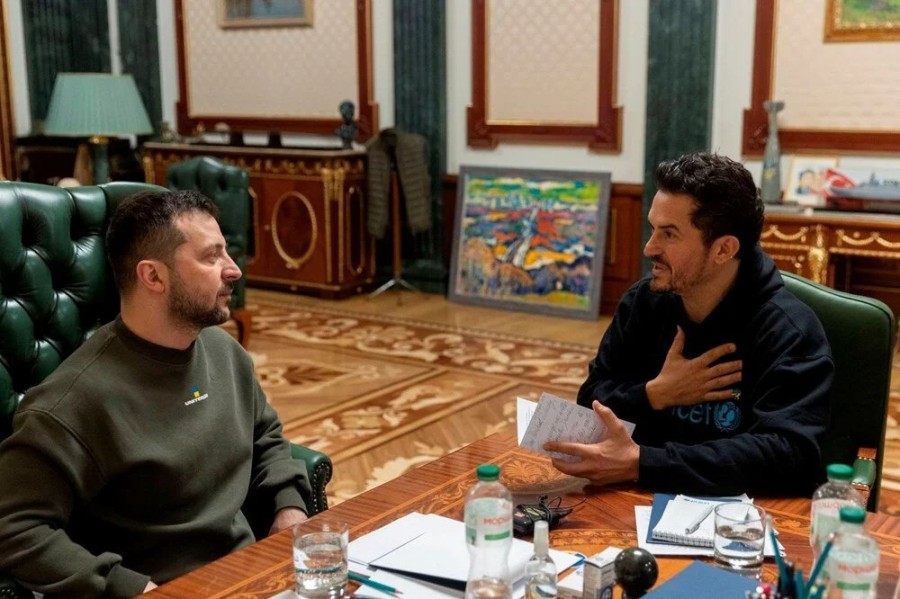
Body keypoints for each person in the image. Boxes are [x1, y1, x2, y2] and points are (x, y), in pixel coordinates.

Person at [0, 190, 310, 597]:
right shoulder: (71, 403)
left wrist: (289, 508)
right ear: (153, 276)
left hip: (250, 576)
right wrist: (131, 589)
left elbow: (265, 438)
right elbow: (14, 527)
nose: (233, 269)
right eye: (211, 257)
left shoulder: (224, 351)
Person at [545, 152, 833, 496]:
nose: (649, 248)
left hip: (742, 515)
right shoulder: (643, 303)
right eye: (653, 229)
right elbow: (591, 398)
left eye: (669, 234)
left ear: (723, 249)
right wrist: (654, 394)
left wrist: (644, 463)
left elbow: (789, 455)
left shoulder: (789, 331)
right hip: (632, 497)